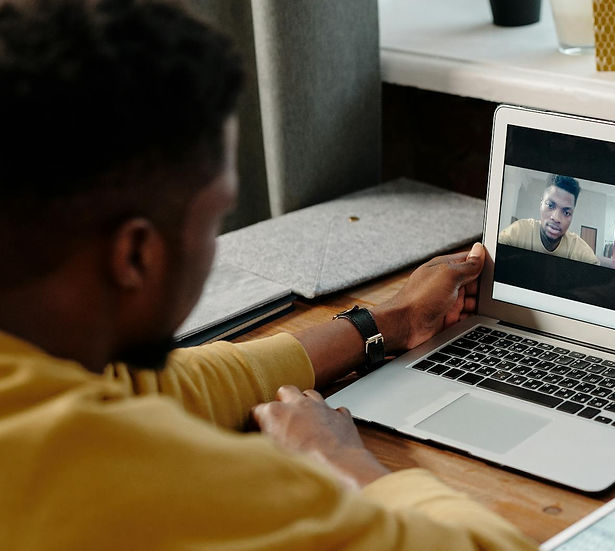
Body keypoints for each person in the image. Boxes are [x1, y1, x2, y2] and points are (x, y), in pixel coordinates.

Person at [0, 1, 535, 549]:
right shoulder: (124, 473)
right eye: (216, 218)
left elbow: (151, 384)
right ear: (136, 256)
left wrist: (388, 322)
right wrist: (337, 457)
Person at [498, 174, 600, 265]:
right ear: (541, 203)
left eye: (566, 212)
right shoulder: (518, 232)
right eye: (550, 205)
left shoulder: (580, 252)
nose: (556, 218)